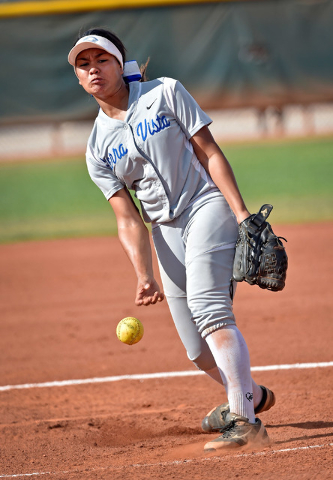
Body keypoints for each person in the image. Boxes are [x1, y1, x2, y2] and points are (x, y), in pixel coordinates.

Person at [68, 27, 275, 452]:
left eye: (101, 60)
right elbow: (127, 219)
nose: (93, 70)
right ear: (77, 76)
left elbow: (210, 152)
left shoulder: (164, 93)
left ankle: (245, 421)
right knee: (196, 350)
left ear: (119, 63)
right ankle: (250, 393)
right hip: (164, 229)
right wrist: (143, 273)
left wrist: (241, 215)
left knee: (209, 307)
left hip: (206, 206)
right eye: (83, 64)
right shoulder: (96, 147)